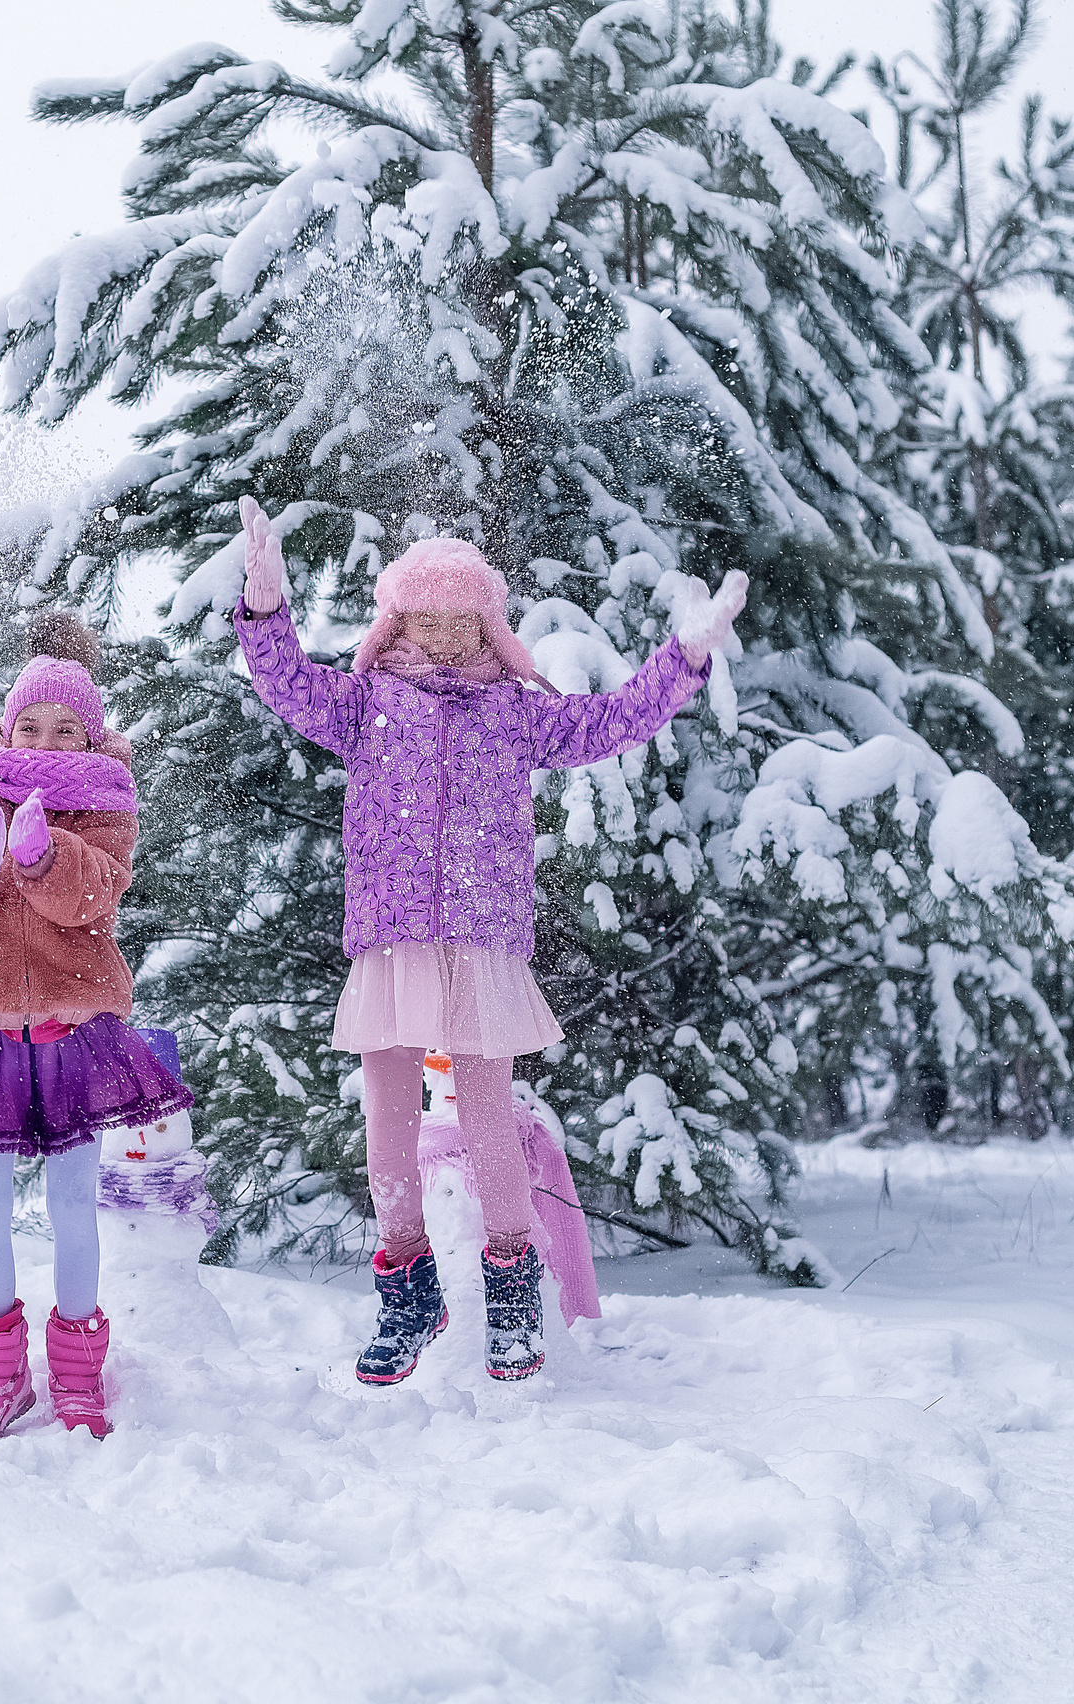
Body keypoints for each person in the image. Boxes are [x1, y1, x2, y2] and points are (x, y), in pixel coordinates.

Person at [232, 498, 746, 1384]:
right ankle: (408, 1292)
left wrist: (684, 658)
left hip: (480, 936)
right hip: (391, 936)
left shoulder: (514, 713)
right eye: (424, 619)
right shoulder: (362, 705)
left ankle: (512, 1296)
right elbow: (287, 686)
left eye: (458, 619)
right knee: (387, 1127)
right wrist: (267, 610)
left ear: (486, 622)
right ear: (397, 621)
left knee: (487, 1121)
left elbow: (613, 720)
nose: (441, 635)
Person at [0, 613, 192, 1440]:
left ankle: (76, 1370)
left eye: (67, 729)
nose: (46, 739)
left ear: (92, 738)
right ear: (6, 723)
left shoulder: (105, 804)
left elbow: (92, 898)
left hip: (75, 1027)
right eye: (31, 724)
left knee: (73, 1200)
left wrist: (41, 855)